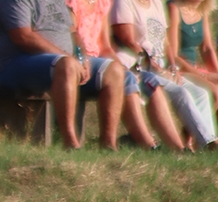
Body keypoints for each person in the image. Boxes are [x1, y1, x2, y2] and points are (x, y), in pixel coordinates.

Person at [0, 0, 125, 149]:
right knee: (67, 66)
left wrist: (81, 57)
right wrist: (67, 58)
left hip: (60, 62)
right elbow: (23, 36)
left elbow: (72, 31)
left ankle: (108, 144)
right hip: (13, 64)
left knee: (114, 70)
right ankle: (70, 143)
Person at [66, 0, 185, 149]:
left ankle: (178, 148)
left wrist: (121, 67)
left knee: (149, 80)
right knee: (126, 78)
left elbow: (106, 47)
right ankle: (145, 144)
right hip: (80, 60)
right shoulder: (72, 3)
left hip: (102, 61)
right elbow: (71, 38)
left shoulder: (102, 3)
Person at [111, 0, 218, 150]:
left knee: (201, 93)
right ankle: (207, 143)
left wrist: (172, 66)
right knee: (181, 92)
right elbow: (128, 41)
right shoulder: (124, 3)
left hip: (162, 66)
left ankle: (209, 140)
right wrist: (156, 67)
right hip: (138, 65)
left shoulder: (156, 3)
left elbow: (166, 41)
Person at [167, 0, 218, 110]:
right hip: (179, 69)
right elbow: (173, 56)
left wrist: (217, 73)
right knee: (214, 92)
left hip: (194, 68)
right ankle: (198, 121)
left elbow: (206, 48)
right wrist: (204, 76)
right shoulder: (174, 8)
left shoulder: (201, 9)